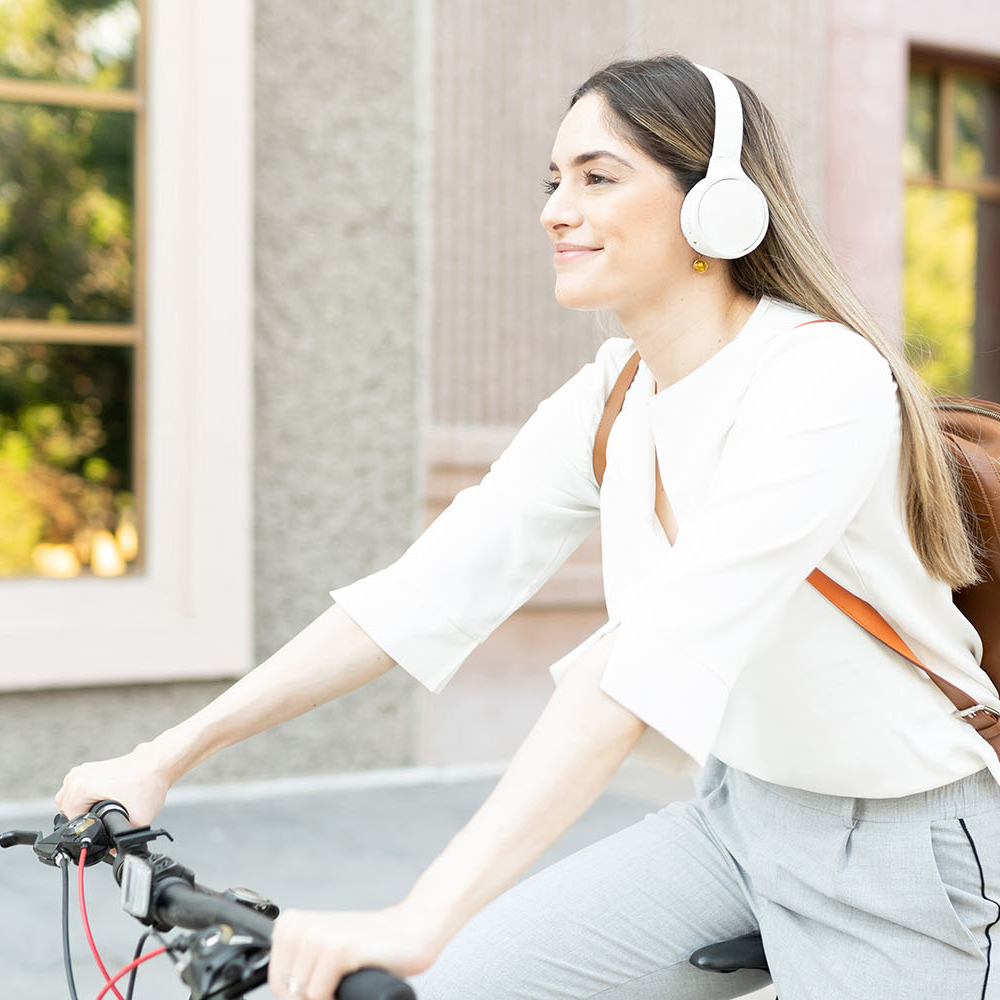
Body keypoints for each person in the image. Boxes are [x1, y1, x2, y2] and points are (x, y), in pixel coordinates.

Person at [57, 54, 1000, 1000]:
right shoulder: (615, 392)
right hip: (737, 817)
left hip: (896, 845)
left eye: (597, 177)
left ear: (718, 207)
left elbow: (642, 663)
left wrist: (425, 912)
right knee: (464, 986)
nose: (555, 208)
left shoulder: (819, 382)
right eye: (554, 181)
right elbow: (418, 599)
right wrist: (162, 755)